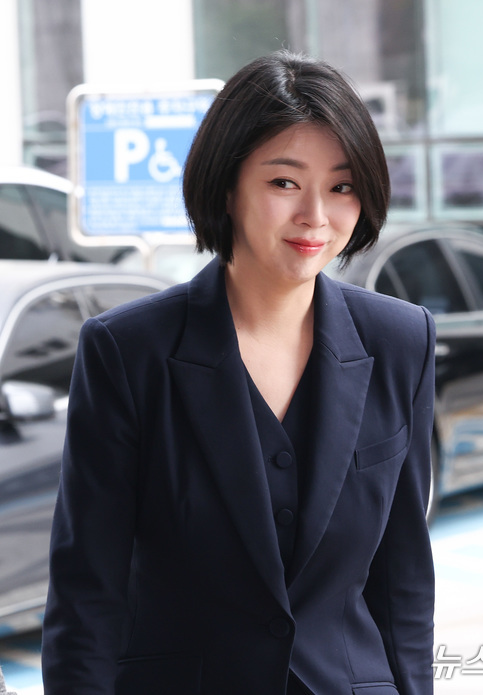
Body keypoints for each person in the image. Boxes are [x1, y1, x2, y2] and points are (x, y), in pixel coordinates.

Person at [41, 51, 435, 695]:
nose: (316, 215)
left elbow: (405, 582)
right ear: (227, 187)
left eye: (341, 186)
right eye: (284, 182)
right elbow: (87, 595)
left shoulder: (400, 340)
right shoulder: (128, 352)